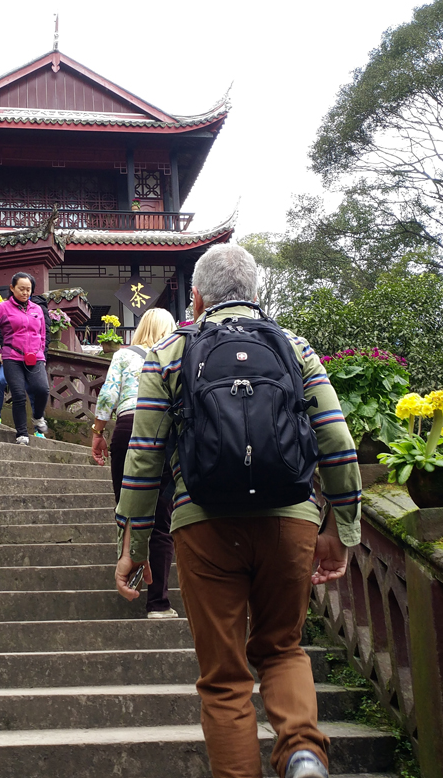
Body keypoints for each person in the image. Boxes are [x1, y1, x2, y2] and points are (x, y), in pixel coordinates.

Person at [111, 243, 361, 778]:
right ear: (255, 293)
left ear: (196, 298)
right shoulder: (294, 348)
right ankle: (301, 752)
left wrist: (131, 546)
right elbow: (336, 440)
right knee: (283, 647)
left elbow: (145, 457)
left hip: (203, 523)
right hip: (290, 516)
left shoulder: (170, 351)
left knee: (224, 677)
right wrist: (342, 528)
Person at [91, 307, 178, 619]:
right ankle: (159, 603)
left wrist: (97, 432)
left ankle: (127, 576)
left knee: (127, 511)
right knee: (161, 519)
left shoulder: (125, 355)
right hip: (163, 431)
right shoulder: (174, 356)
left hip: (127, 427)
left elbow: (107, 396)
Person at [0, 272, 50, 445]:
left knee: (42, 389)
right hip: (12, 357)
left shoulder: (37, 309)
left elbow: (42, 334)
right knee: (18, 395)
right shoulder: (2, 308)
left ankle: (38, 417)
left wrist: (41, 352)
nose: (25, 293)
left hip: (35, 358)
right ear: (12, 288)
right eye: (21, 289)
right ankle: (21, 434)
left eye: (28, 290)